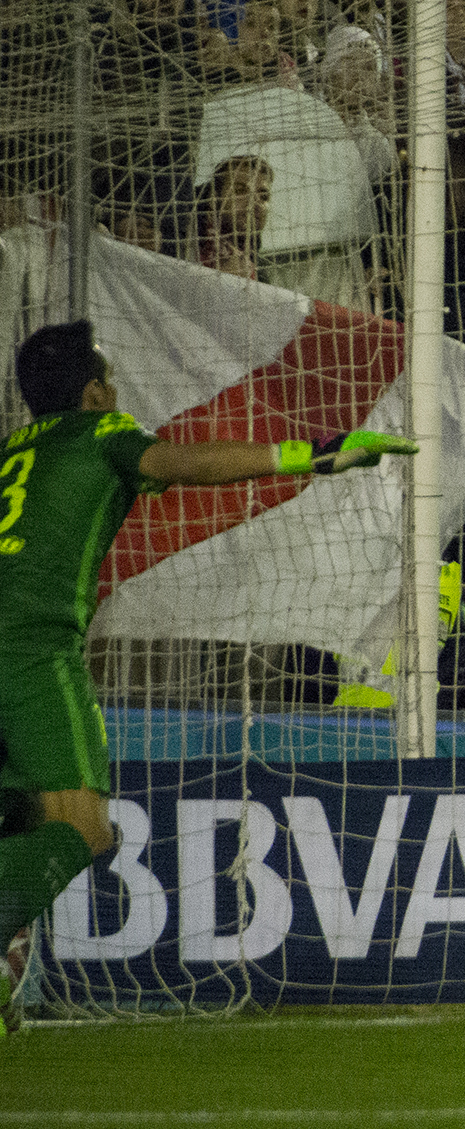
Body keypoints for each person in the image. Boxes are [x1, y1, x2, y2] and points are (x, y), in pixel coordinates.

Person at [0, 321, 416, 1030]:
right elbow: (186, 462)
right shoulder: (103, 433)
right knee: (89, 828)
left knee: (24, 815)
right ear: (94, 392)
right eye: (110, 376)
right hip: (30, 650)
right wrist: (312, 455)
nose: (118, 387)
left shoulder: (13, 451)